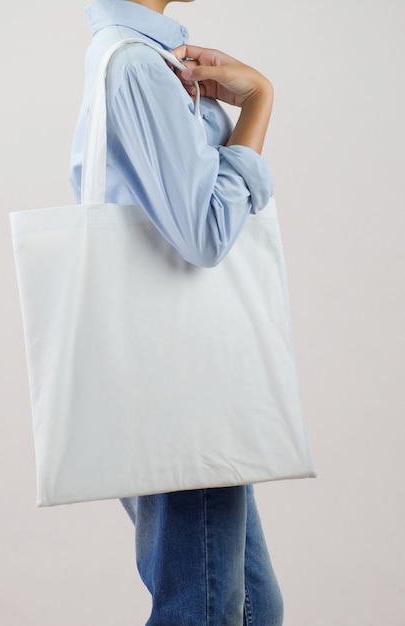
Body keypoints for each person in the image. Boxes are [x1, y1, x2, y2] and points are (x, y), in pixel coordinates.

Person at [70, 1, 283, 624]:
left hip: (167, 374)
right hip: (178, 381)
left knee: (250, 605)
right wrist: (261, 102)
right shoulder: (136, 66)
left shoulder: (138, 58)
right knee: (210, 608)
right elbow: (207, 233)